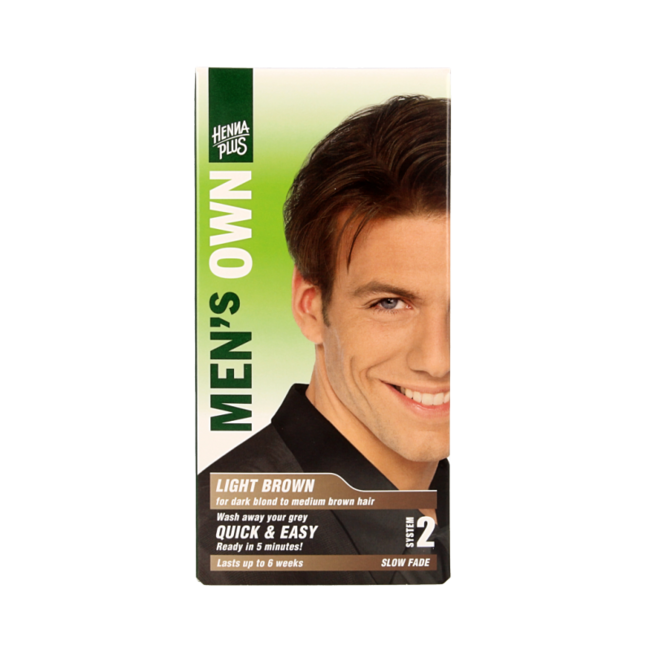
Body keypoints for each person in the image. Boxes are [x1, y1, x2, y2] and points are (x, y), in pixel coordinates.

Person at [197, 96, 451, 585]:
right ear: (311, 308)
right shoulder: (226, 553)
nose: (437, 359)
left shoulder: (431, 517)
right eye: (390, 303)